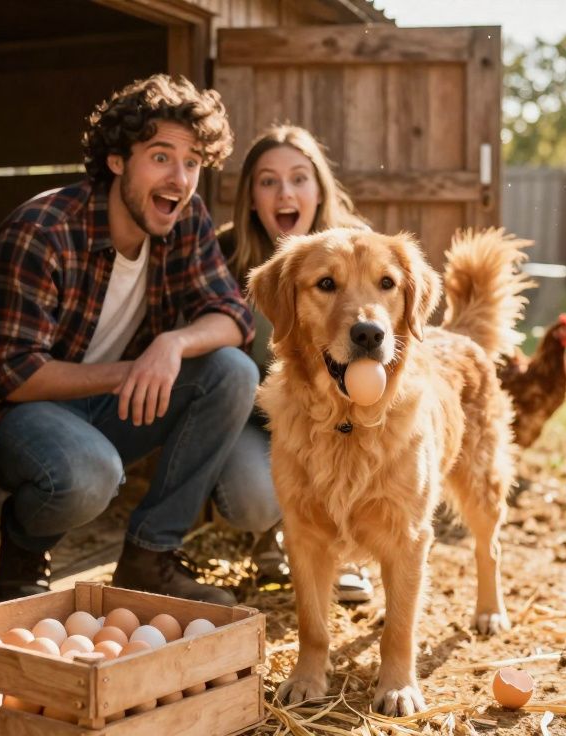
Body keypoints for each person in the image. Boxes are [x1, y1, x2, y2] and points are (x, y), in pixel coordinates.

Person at [0, 75, 280, 605]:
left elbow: (235, 317)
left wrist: (169, 344)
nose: (180, 178)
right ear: (118, 160)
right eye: (162, 157)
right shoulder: (45, 228)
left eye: (192, 163)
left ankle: (149, 557)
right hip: (27, 419)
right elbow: (12, 373)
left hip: (113, 409)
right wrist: (134, 371)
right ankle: (23, 555)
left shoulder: (184, 220)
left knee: (232, 370)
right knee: (90, 473)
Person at [216, 123, 375, 602]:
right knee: (251, 500)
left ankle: (347, 550)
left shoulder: (360, 247)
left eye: (299, 178)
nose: (285, 192)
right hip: (257, 421)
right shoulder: (223, 254)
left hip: (343, 416)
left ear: (319, 189)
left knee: (353, 447)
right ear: (251, 197)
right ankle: (273, 537)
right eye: (268, 181)